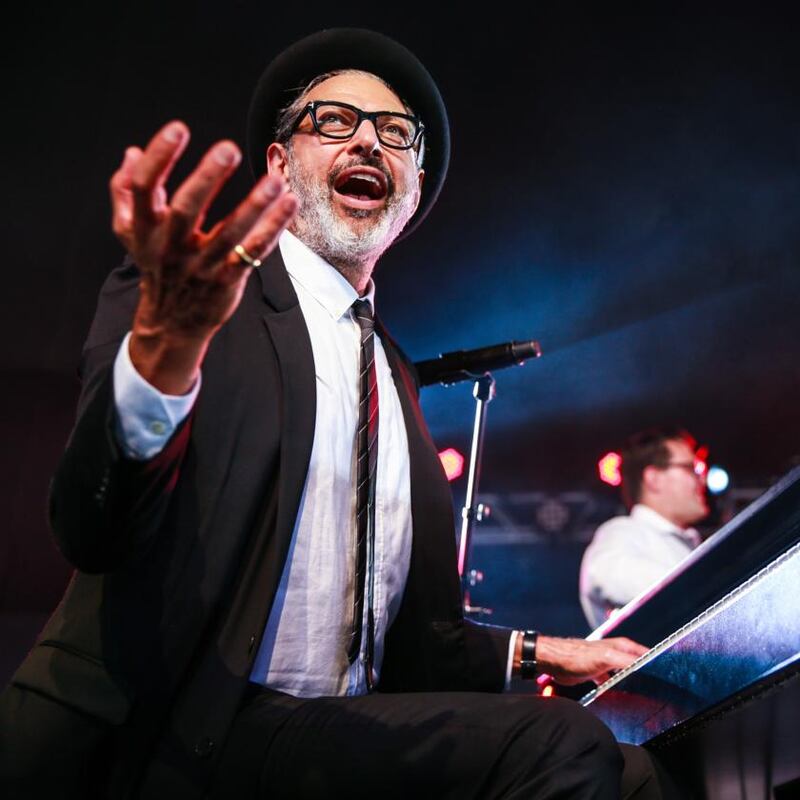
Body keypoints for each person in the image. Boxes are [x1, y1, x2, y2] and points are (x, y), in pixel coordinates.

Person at [1, 29, 679, 799]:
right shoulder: (196, 302)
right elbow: (94, 526)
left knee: (639, 769)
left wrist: (544, 651)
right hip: (178, 731)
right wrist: (161, 355)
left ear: (413, 187)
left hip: (326, 736)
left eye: (396, 134)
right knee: (564, 745)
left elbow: (420, 639)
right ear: (279, 165)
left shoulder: (392, 374)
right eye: (333, 121)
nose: (366, 141)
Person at [580, 426, 710, 629]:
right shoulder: (624, 531)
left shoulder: (686, 542)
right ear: (653, 479)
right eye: (691, 468)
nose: (702, 478)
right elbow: (606, 575)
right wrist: (713, 586)